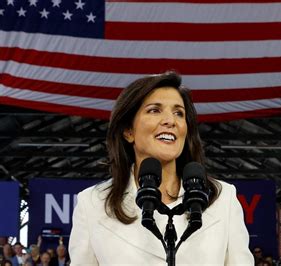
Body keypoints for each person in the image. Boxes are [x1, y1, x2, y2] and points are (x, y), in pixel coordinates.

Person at [69, 71, 253, 265]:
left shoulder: (224, 199)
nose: (170, 121)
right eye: (154, 110)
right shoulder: (92, 204)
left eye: (178, 113)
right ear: (128, 131)